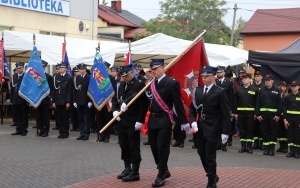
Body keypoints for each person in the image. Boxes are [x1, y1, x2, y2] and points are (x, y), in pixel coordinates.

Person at [147, 59, 189, 187]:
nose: (153, 71)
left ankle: (161, 175)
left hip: (164, 120)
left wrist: (183, 122)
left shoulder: (171, 83)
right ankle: (164, 169)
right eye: (152, 69)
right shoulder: (151, 83)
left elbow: (177, 103)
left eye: (155, 69)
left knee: (162, 147)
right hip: (153, 120)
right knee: (153, 147)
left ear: (162, 68)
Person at [189, 66, 230, 188]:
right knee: (201, 153)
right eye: (203, 76)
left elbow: (225, 113)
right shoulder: (198, 90)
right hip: (200, 126)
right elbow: (192, 108)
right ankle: (212, 174)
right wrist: (192, 121)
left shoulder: (220, 91)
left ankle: (211, 182)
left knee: (210, 155)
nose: (204, 78)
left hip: (213, 126)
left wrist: (225, 132)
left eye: (207, 76)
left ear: (213, 76)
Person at [111, 64, 148, 182]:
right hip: (121, 121)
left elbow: (143, 105)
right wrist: (114, 111)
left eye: (126, 75)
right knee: (123, 145)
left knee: (133, 146)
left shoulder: (139, 85)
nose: (125, 78)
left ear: (131, 73)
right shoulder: (120, 85)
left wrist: (140, 120)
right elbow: (115, 100)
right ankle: (127, 168)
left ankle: (135, 171)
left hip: (133, 121)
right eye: (123, 76)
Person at [255, 74, 281, 156]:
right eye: (266, 80)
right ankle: (266, 148)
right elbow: (258, 102)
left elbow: (280, 104)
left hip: (273, 116)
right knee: (264, 132)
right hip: (263, 115)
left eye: (268, 80)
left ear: (272, 81)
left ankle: (272, 149)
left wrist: (278, 114)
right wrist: (258, 114)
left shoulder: (277, 90)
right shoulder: (261, 90)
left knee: (273, 132)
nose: (267, 82)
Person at [233, 73, 257, 154]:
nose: (244, 80)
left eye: (246, 78)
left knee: (250, 129)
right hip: (241, 113)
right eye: (243, 79)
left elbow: (257, 102)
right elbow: (235, 102)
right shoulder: (239, 90)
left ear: (250, 79)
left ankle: (249, 147)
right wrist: (235, 113)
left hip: (250, 113)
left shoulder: (254, 89)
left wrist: (256, 113)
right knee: (242, 130)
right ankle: (243, 147)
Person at [215, 65, 234, 151]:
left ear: (224, 73)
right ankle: (218, 143)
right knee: (218, 126)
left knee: (225, 126)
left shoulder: (229, 82)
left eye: (220, 72)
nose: (218, 74)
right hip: (217, 107)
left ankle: (224, 144)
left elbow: (231, 96)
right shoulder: (215, 82)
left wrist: (231, 109)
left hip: (226, 107)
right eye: (217, 72)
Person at [52, 62, 73, 139]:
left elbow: (70, 91)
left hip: (65, 101)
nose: (60, 69)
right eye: (60, 68)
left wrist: (68, 101)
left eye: (62, 68)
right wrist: (53, 101)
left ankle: (65, 132)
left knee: (65, 118)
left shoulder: (69, 78)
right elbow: (54, 90)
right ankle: (61, 132)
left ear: (66, 69)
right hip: (58, 100)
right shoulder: (56, 77)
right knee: (59, 118)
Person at [73, 63, 93, 140]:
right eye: (80, 69)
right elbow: (75, 90)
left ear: (85, 70)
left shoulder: (89, 78)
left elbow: (91, 90)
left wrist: (90, 101)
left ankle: (87, 134)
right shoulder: (77, 78)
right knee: (80, 118)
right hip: (79, 101)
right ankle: (82, 133)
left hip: (86, 101)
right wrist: (74, 101)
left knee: (87, 118)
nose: (81, 70)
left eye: (83, 69)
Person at [283, 81, 300, 159]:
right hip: (289, 118)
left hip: (298, 119)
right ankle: (291, 151)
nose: (293, 87)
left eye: (295, 86)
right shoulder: (288, 97)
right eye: (292, 86)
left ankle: (297, 152)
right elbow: (284, 108)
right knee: (290, 135)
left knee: (297, 135)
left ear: (298, 87)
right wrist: (285, 119)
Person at [11, 62, 29, 136]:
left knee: (23, 115)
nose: (19, 69)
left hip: (23, 99)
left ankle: (24, 130)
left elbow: (28, 88)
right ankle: (18, 129)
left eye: (20, 68)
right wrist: (12, 99)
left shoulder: (26, 76)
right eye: (18, 68)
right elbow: (12, 89)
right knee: (17, 115)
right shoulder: (14, 76)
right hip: (15, 99)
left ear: (23, 68)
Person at [36, 60, 53, 137]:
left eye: (43, 66)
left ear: (45, 67)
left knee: (45, 116)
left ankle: (46, 131)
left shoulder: (49, 77)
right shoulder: (35, 77)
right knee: (39, 116)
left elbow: (51, 89)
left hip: (45, 99)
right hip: (38, 99)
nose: (42, 68)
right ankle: (41, 130)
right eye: (40, 66)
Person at [252, 70, 264, 150]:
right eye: (255, 76)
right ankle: (256, 143)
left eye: (258, 76)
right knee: (254, 127)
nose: (256, 77)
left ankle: (262, 143)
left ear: (261, 77)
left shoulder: (263, 87)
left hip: (261, 110)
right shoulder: (251, 86)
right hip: (253, 110)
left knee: (262, 127)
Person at [276, 81, 289, 153]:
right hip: (278, 115)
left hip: (285, 116)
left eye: (285, 86)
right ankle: (281, 146)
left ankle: (285, 147)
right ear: (280, 86)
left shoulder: (288, 96)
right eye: (283, 86)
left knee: (285, 131)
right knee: (280, 132)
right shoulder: (277, 94)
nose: (284, 87)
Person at [70, 66, 80, 132]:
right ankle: (74, 126)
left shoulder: (80, 79)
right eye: (75, 72)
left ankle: (78, 126)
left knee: (79, 114)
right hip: (73, 98)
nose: (76, 73)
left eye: (77, 71)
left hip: (79, 99)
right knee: (73, 114)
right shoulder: (72, 78)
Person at [52, 64, 61, 131]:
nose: (57, 70)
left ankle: (61, 126)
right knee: (56, 113)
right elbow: (53, 88)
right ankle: (57, 124)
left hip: (62, 97)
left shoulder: (63, 77)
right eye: (57, 69)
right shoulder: (54, 76)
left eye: (59, 69)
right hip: (56, 97)